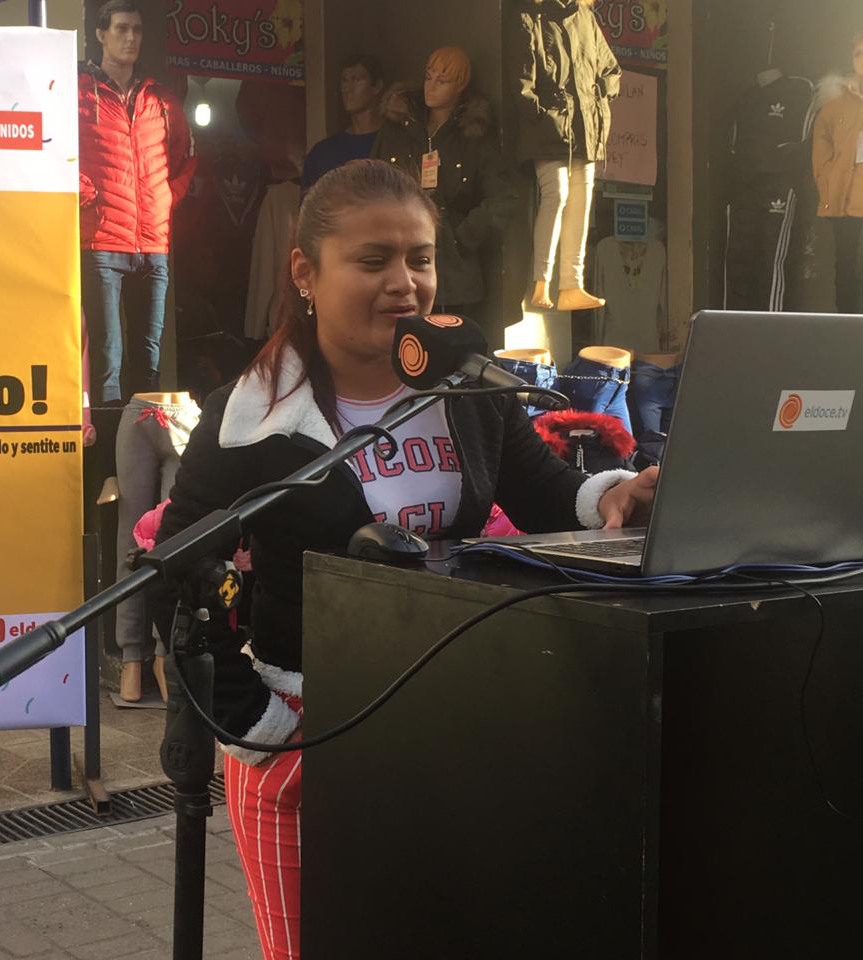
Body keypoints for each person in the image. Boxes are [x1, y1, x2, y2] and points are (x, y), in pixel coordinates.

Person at [154, 159, 658, 960]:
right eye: (373, 260)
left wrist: (616, 494)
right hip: (300, 745)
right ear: (305, 274)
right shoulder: (251, 416)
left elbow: (542, 489)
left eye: (420, 259)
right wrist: (257, 723)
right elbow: (177, 574)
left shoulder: (465, 385)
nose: (405, 283)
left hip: (443, 727)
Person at [78, 0, 195, 404]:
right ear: (100, 34)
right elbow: (51, 150)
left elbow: (184, 160)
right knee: (107, 361)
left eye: (137, 30)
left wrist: (164, 202)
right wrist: (85, 192)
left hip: (153, 245)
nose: (130, 38)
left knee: (149, 361)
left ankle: (142, 459)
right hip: (102, 242)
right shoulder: (80, 92)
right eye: (121, 28)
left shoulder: (160, 100)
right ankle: (108, 462)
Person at [372, 46, 518, 320]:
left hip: (454, 275)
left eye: (443, 80)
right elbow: (371, 185)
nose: (432, 86)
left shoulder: (472, 136)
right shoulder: (397, 127)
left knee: (448, 347)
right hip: (399, 259)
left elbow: (504, 197)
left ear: (460, 85)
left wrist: (462, 237)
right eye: (429, 77)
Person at [513, 0, 621, 311]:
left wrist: (600, 99)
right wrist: (544, 116)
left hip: (585, 125)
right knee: (556, 196)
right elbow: (522, 83)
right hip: (553, 128)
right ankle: (541, 282)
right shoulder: (530, 18)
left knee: (581, 201)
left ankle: (572, 284)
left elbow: (610, 68)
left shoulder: (584, 16)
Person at [812, 32, 863, 315]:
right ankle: (847, 332)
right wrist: (827, 183)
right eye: (858, 54)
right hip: (844, 200)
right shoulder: (834, 106)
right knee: (844, 266)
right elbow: (821, 149)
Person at [302, 54, 386, 191]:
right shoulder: (323, 152)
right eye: (344, 81)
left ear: (376, 86)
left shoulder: (394, 144)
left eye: (357, 80)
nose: (348, 89)